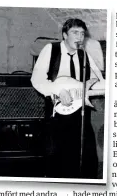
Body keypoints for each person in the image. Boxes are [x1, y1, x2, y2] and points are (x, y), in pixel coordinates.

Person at [31, 18, 105, 178]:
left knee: (87, 158)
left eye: (82, 33)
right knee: (58, 161)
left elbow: (97, 81)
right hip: (57, 115)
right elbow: (36, 79)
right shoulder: (51, 49)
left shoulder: (84, 55)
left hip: (81, 115)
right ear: (65, 35)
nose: (79, 37)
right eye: (75, 32)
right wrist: (56, 89)